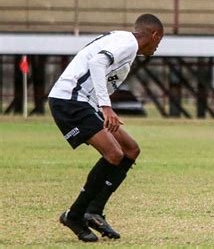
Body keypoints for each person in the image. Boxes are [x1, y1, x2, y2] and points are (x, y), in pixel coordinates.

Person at [48, 14, 163, 242]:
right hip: (70, 99)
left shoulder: (124, 43)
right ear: (154, 35)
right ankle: (75, 215)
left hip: (85, 102)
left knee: (130, 149)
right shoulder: (128, 43)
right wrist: (106, 107)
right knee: (113, 153)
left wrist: (101, 108)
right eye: (159, 41)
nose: (158, 47)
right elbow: (96, 62)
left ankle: (95, 211)